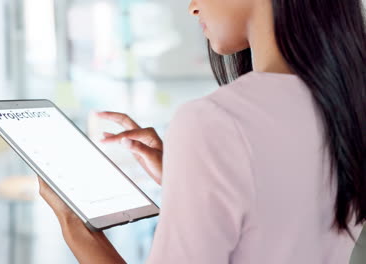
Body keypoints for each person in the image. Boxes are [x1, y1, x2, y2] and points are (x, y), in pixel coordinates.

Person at [38, 0, 366, 263]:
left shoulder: (216, 119)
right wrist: (191, 180)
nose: (192, 7)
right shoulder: (349, 107)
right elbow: (285, 220)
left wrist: (73, 222)